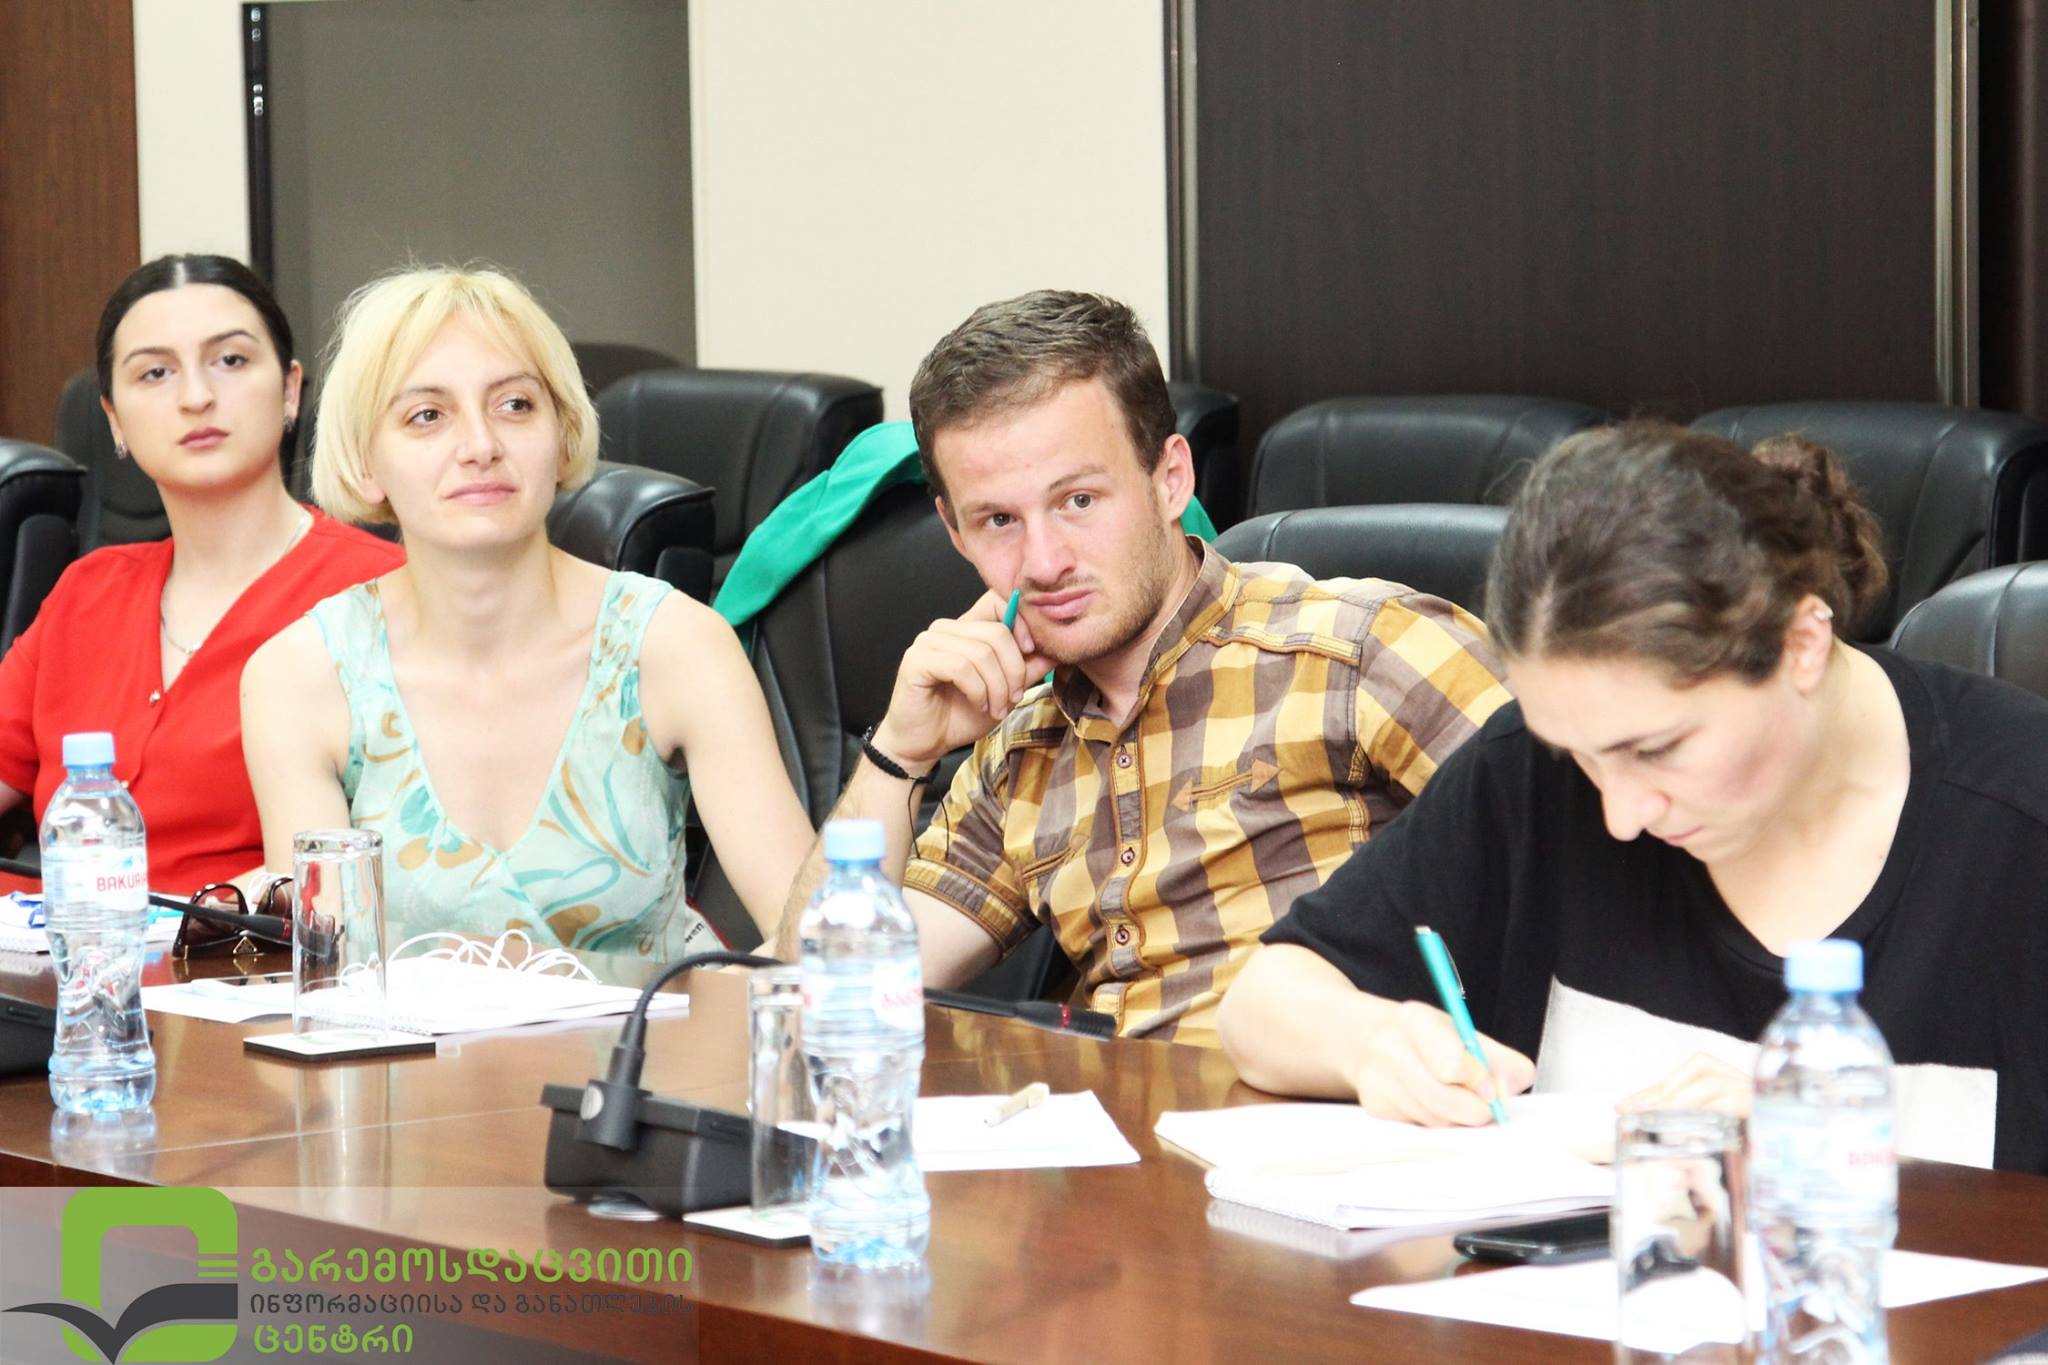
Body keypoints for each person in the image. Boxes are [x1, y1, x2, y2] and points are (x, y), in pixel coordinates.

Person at [1218, 421, 2048, 1173]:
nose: (1619, 815)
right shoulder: (1535, 771)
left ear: (1801, 643)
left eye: (1659, 750)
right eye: (1581, 756)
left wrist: (1829, 1153)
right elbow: (1261, 1006)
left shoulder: (2021, 810)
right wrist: (1372, 1043)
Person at [775, 290, 1512, 1046]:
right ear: (955, 533)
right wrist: (902, 748)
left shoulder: (1360, 650)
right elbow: (823, 1003)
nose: (1044, 562)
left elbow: (1574, 857)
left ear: (1170, 480)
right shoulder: (1020, 748)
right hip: (1103, 1114)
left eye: (1079, 500)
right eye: (998, 520)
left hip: (1328, 1106)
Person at [240, 265, 812, 957]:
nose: (481, 446)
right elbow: (331, 971)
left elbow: (814, 941)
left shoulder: (676, 644)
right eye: (427, 416)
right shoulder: (302, 675)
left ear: (563, 435)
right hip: (402, 1034)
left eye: (515, 405)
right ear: (365, 464)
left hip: (651, 1030)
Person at [0, 255, 404, 894]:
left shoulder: (382, 592)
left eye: (231, 360)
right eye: (155, 373)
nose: (196, 397)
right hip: (45, 951)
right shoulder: (86, 591)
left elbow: (398, 866)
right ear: (114, 419)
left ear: (291, 390)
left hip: (241, 950)